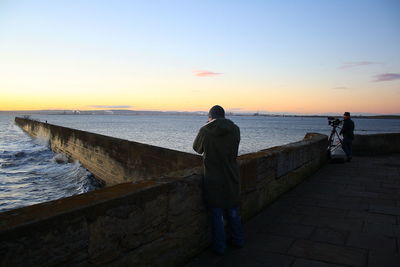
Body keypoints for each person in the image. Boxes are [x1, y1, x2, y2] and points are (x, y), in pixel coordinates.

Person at [193, 105, 244, 255]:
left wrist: (206, 129)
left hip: (213, 178)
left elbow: (197, 148)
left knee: (217, 215)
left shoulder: (205, 130)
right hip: (231, 175)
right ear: (224, 116)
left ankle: (220, 247)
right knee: (233, 211)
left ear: (210, 117)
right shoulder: (235, 129)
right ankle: (238, 240)